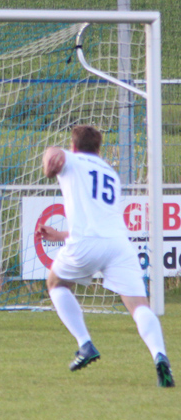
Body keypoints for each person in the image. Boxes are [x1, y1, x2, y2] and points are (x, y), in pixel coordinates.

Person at [36, 124, 174, 387]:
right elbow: (99, 223)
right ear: (99, 149)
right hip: (118, 245)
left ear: (74, 146)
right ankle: (160, 357)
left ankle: (85, 344)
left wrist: (51, 154)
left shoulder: (71, 159)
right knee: (140, 307)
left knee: (55, 282)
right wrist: (61, 235)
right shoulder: (111, 173)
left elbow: (54, 157)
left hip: (87, 243)